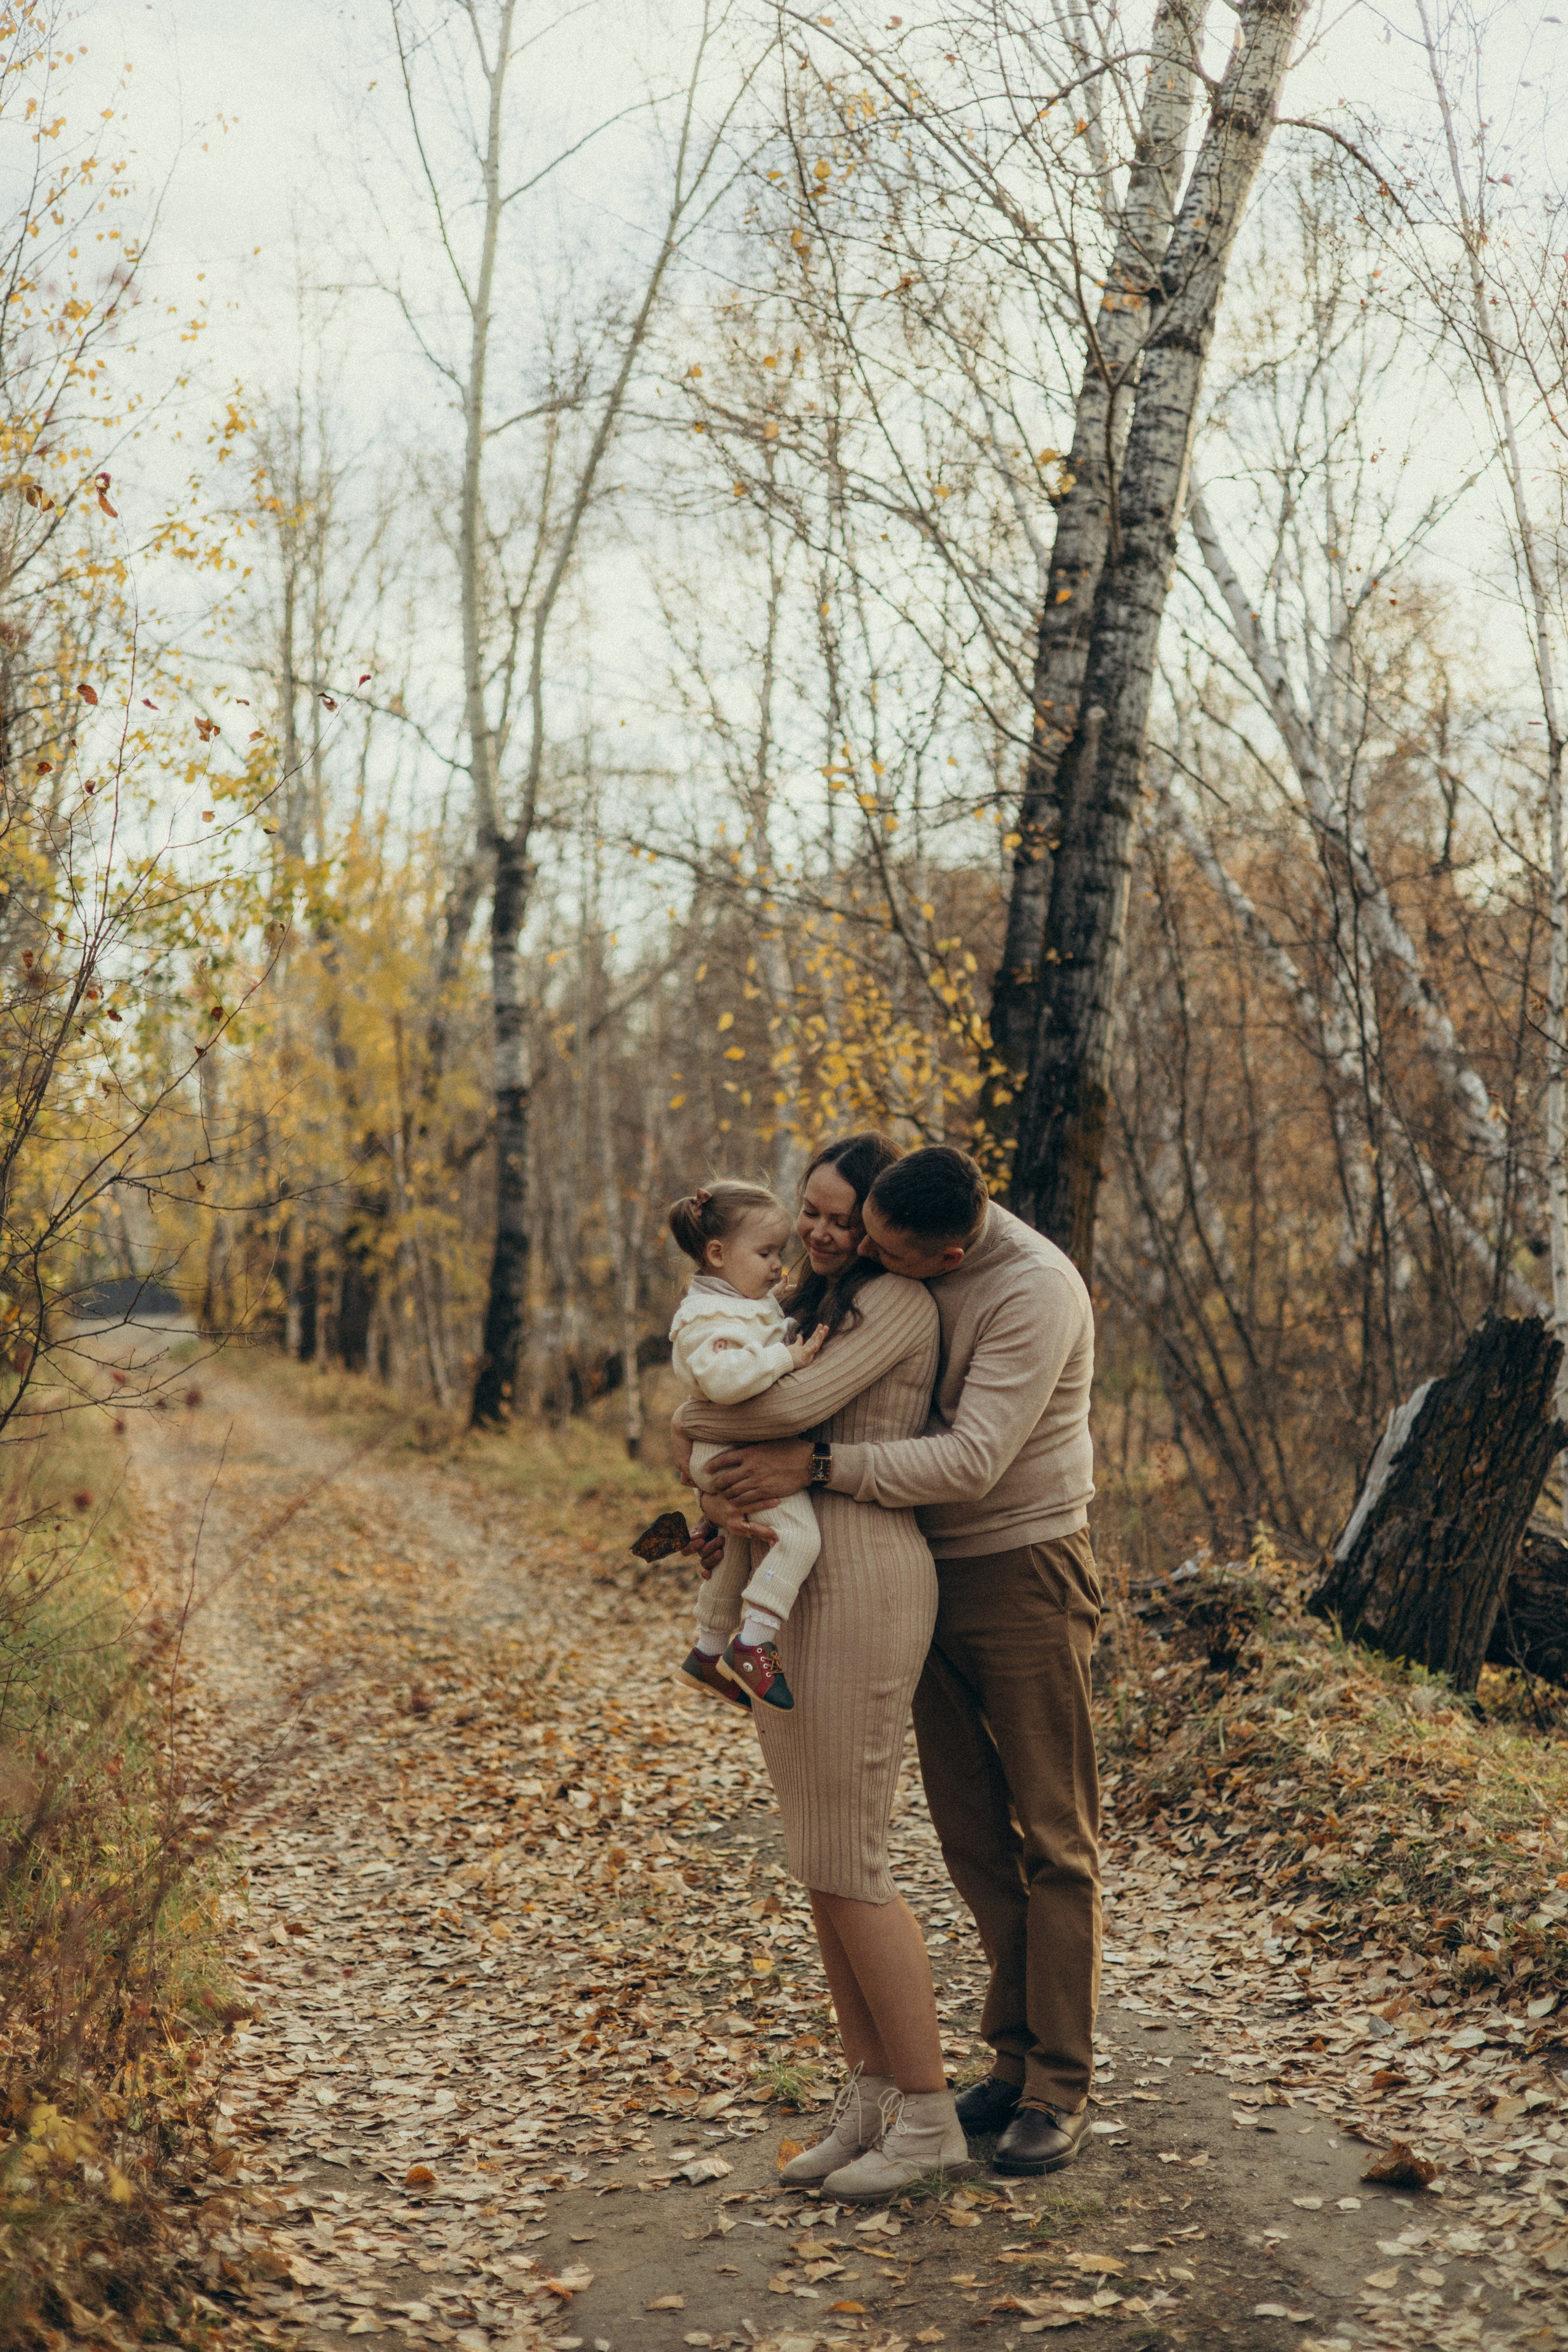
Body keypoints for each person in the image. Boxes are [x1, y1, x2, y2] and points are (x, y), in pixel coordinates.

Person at [690, 1145, 1099, 2179]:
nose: (854, 1249)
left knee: (1052, 1833)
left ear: (947, 1250)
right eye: (844, 1225)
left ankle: (1057, 2085)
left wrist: (812, 1463)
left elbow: (967, 1458)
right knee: (970, 1838)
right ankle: (1003, 2068)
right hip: (920, 1556)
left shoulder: (1029, 1289)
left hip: (1021, 1563)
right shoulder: (887, 1269)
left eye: (880, 1244)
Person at [676, 1133, 974, 2201]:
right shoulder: (801, 1300)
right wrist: (705, 1474)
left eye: (843, 1218)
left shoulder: (895, 1302)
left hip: (866, 1582)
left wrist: (682, 1421)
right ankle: (868, 2098)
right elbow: (739, 1409)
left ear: (884, 1225)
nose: (821, 1232)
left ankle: (932, 2116)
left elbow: (782, 1410)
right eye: (810, 1211)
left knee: (852, 1857)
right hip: (795, 1587)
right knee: (817, 1860)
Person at [667, 1178, 827, 1709]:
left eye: (779, 1252)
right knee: (798, 1538)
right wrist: (789, 1358)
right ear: (717, 1254)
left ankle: (708, 1653)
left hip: (721, 1451)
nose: (779, 1265)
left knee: (738, 1546)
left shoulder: (736, 1302)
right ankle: (753, 1645)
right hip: (727, 1452)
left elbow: (757, 1329)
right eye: (766, 1253)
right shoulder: (706, 1318)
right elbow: (725, 1381)